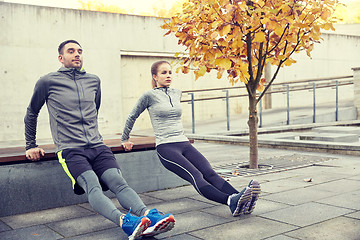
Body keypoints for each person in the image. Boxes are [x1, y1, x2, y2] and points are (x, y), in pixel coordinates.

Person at [24, 40, 175, 240]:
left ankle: (149, 216)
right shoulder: (47, 82)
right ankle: (126, 222)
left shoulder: (93, 80)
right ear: (61, 58)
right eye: (71, 51)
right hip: (70, 149)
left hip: (97, 145)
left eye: (79, 51)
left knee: (118, 182)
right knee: (93, 185)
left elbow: (94, 111)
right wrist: (30, 145)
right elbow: (31, 112)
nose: (77, 54)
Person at [121, 60, 261, 217]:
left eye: (170, 72)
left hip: (183, 143)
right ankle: (230, 201)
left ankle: (243, 199)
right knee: (196, 176)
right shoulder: (149, 96)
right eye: (163, 73)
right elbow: (132, 115)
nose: (168, 76)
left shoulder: (176, 93)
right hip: (166, 147)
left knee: (210, 173)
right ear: (155, 77)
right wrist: (125, 138)